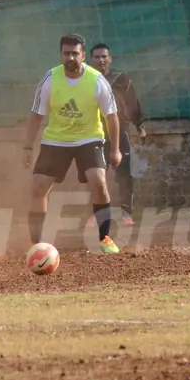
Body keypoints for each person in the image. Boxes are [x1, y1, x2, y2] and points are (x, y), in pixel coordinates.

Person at [23, 34, 122, 254]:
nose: (71, 58)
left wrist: (115, 150)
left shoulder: (96, 80)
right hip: (56, 140)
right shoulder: (50, 79)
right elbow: (36, 116)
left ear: (83, 56)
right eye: (66, 53)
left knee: (98, 181)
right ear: (60, 55)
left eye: (75, 53)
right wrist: (28, 147)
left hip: (89, 138)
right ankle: (36, 243)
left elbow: (112, 117)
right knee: (38, 187)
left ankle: (105, 239)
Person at [89, 43, 146, 227]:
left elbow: (132, 102)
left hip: (120, 131)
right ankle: (97, 214)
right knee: (96, 174)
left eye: (104, 57)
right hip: (95, 132)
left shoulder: (121, 78)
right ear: (91, 60)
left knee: (124, 173)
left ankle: (126, 213)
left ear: (110, 58)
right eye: (97, 57)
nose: (101, 60)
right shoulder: (85, 79)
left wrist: (140, 125)